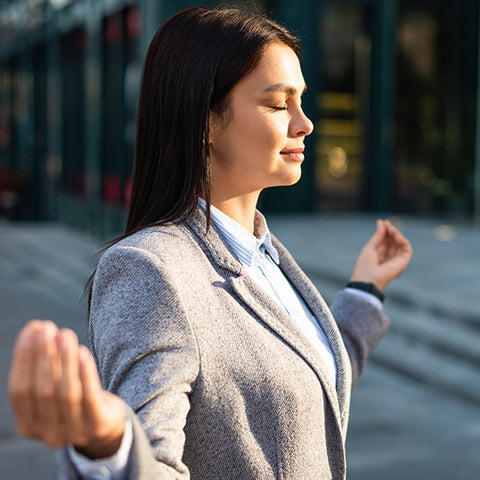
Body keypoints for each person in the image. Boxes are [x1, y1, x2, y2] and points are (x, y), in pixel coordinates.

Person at [8, 7, 412, 480]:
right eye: (279, 103)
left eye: (301, 101)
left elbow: (293, 383)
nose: (305, 123)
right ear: (206, 119)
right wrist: (108, 443)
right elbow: (154, 459)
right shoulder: (150, 271)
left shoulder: (262, 253)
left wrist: (366, 289)